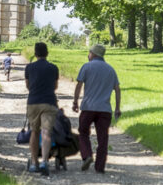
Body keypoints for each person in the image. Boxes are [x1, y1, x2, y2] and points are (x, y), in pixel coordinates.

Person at [71, 43, 121, 174]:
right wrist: (117, 108)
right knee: (103, 138)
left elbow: (79, 85)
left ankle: (87, 156)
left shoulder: (86, 67)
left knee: (83, 132)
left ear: (93, 54)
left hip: (88, 107)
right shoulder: (111, 70)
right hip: (104, 109)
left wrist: (75, 101)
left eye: (89, 52)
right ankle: (100, 167)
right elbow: (117, 89)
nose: (88, 55)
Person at [24, 42, 59, 176]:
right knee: (46, 132)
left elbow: (28, 86)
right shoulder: (53, 68)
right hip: (49, 102)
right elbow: (55, 86)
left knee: (34, 131)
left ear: (35, 53)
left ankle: (34, 162)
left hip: (33, 102)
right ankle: (45, 161)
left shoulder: (29, 67)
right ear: (47, 53)